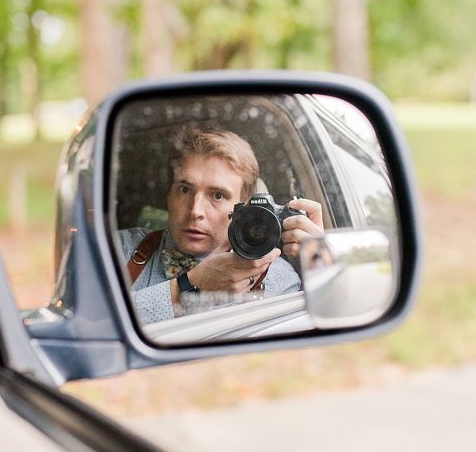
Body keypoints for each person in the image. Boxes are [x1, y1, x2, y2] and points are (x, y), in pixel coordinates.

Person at [119, 127, 325, 324]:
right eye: (184, 189)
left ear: (242, 208)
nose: (195, 211)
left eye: (217, 195)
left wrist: (321, 268)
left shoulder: (277, 279)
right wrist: (187, 288)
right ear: (168, 194)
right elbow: (90, 322)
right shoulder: (120, 249)